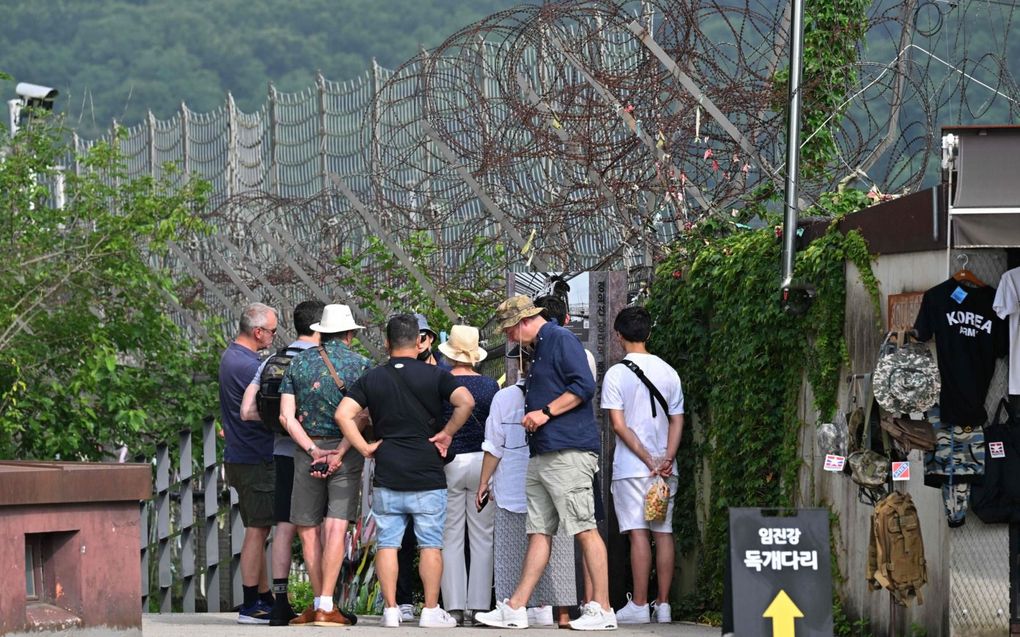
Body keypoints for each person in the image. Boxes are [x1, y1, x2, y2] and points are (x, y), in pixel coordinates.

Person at [475, 296, 617, 631]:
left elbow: (584, 386)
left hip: (567, 451)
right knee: (538, 531)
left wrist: (545, 412)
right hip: (544, 452)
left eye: (510, 331)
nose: (510, 338)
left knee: (584, 527)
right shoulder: (540, 346)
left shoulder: (561, 338)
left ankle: (604, 608)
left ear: (524, 321)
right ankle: (516, 606)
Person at [336, 313, 475, 628]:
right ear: (419, 341)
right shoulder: (436, 375)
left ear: (386, 343)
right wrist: (447, 432)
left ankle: (391, 610)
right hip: (427, 471)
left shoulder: (372, 377)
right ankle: (429, 609)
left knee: (388, 542)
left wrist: (364, 447)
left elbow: (343, 414)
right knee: (430, 543)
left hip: (388, 472)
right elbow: (465, 401)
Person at [278, 304, 372, 626]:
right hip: (347, 451)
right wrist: (342, 450)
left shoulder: (298, 364)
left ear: (321, 331)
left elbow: (285, 417)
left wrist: (313, 449)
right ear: (348, 333)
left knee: (307, 529)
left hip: (308, 451)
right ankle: (328, 606)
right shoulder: (362, 365)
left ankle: (316, 603)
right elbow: (364, 416)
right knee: (336, 526)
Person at [477, 344, 576, 628]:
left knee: (512, 549)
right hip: (552, 482)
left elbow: (494, 445)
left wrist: (484, 482)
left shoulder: (504, 397)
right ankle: (556, 611)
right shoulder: (561, 398)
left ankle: (513, 605)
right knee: (554, 548)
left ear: (519, 365)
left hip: (512, 484)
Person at [238, 300, 324, 626]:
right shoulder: (319, 360)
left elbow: (247, 410)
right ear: (319, 328)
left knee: (284, 527)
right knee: (316, 527)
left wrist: (281, 423)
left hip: (282, 453)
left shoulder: (273, 361)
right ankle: (322, 601)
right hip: (317, 452)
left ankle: (280, 602)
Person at [600, 306, 684, 624]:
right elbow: (677, 420)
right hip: (665, 470)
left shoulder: (616, 374)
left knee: (638, 533)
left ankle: (638, 604)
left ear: (619, 336)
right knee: (663, 532)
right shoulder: (669, 372)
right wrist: (666, 458)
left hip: (633, 469)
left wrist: (648, 459)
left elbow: (619, 425)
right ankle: (663, 605)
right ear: (648, 334)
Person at [219, 302, 278, 624]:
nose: (273, 336)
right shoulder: (248, 366)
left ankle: (265, 598)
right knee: (257, 530)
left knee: (260, 526)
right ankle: (251, 602)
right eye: (271, 330)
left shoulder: (232, 356)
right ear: (257, 332)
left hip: (240, 454)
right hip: (255, 456)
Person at [436, 325, 499, 626]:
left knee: (450, 536)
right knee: (483, 537)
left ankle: (454, 606)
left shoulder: (441, 382)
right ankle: (479, 607)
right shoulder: (490, 386)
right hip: (483, 462)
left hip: (449, 461)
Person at [392, 313, 441, 622]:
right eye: (414, 336)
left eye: (423, 336)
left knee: (432, 536)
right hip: (402, 460)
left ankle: (435, 600)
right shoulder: (391, 372)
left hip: (434, 461)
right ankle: (403, 599)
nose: (418, 342)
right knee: (401, 536)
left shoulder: (442, 373)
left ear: (429, 340)